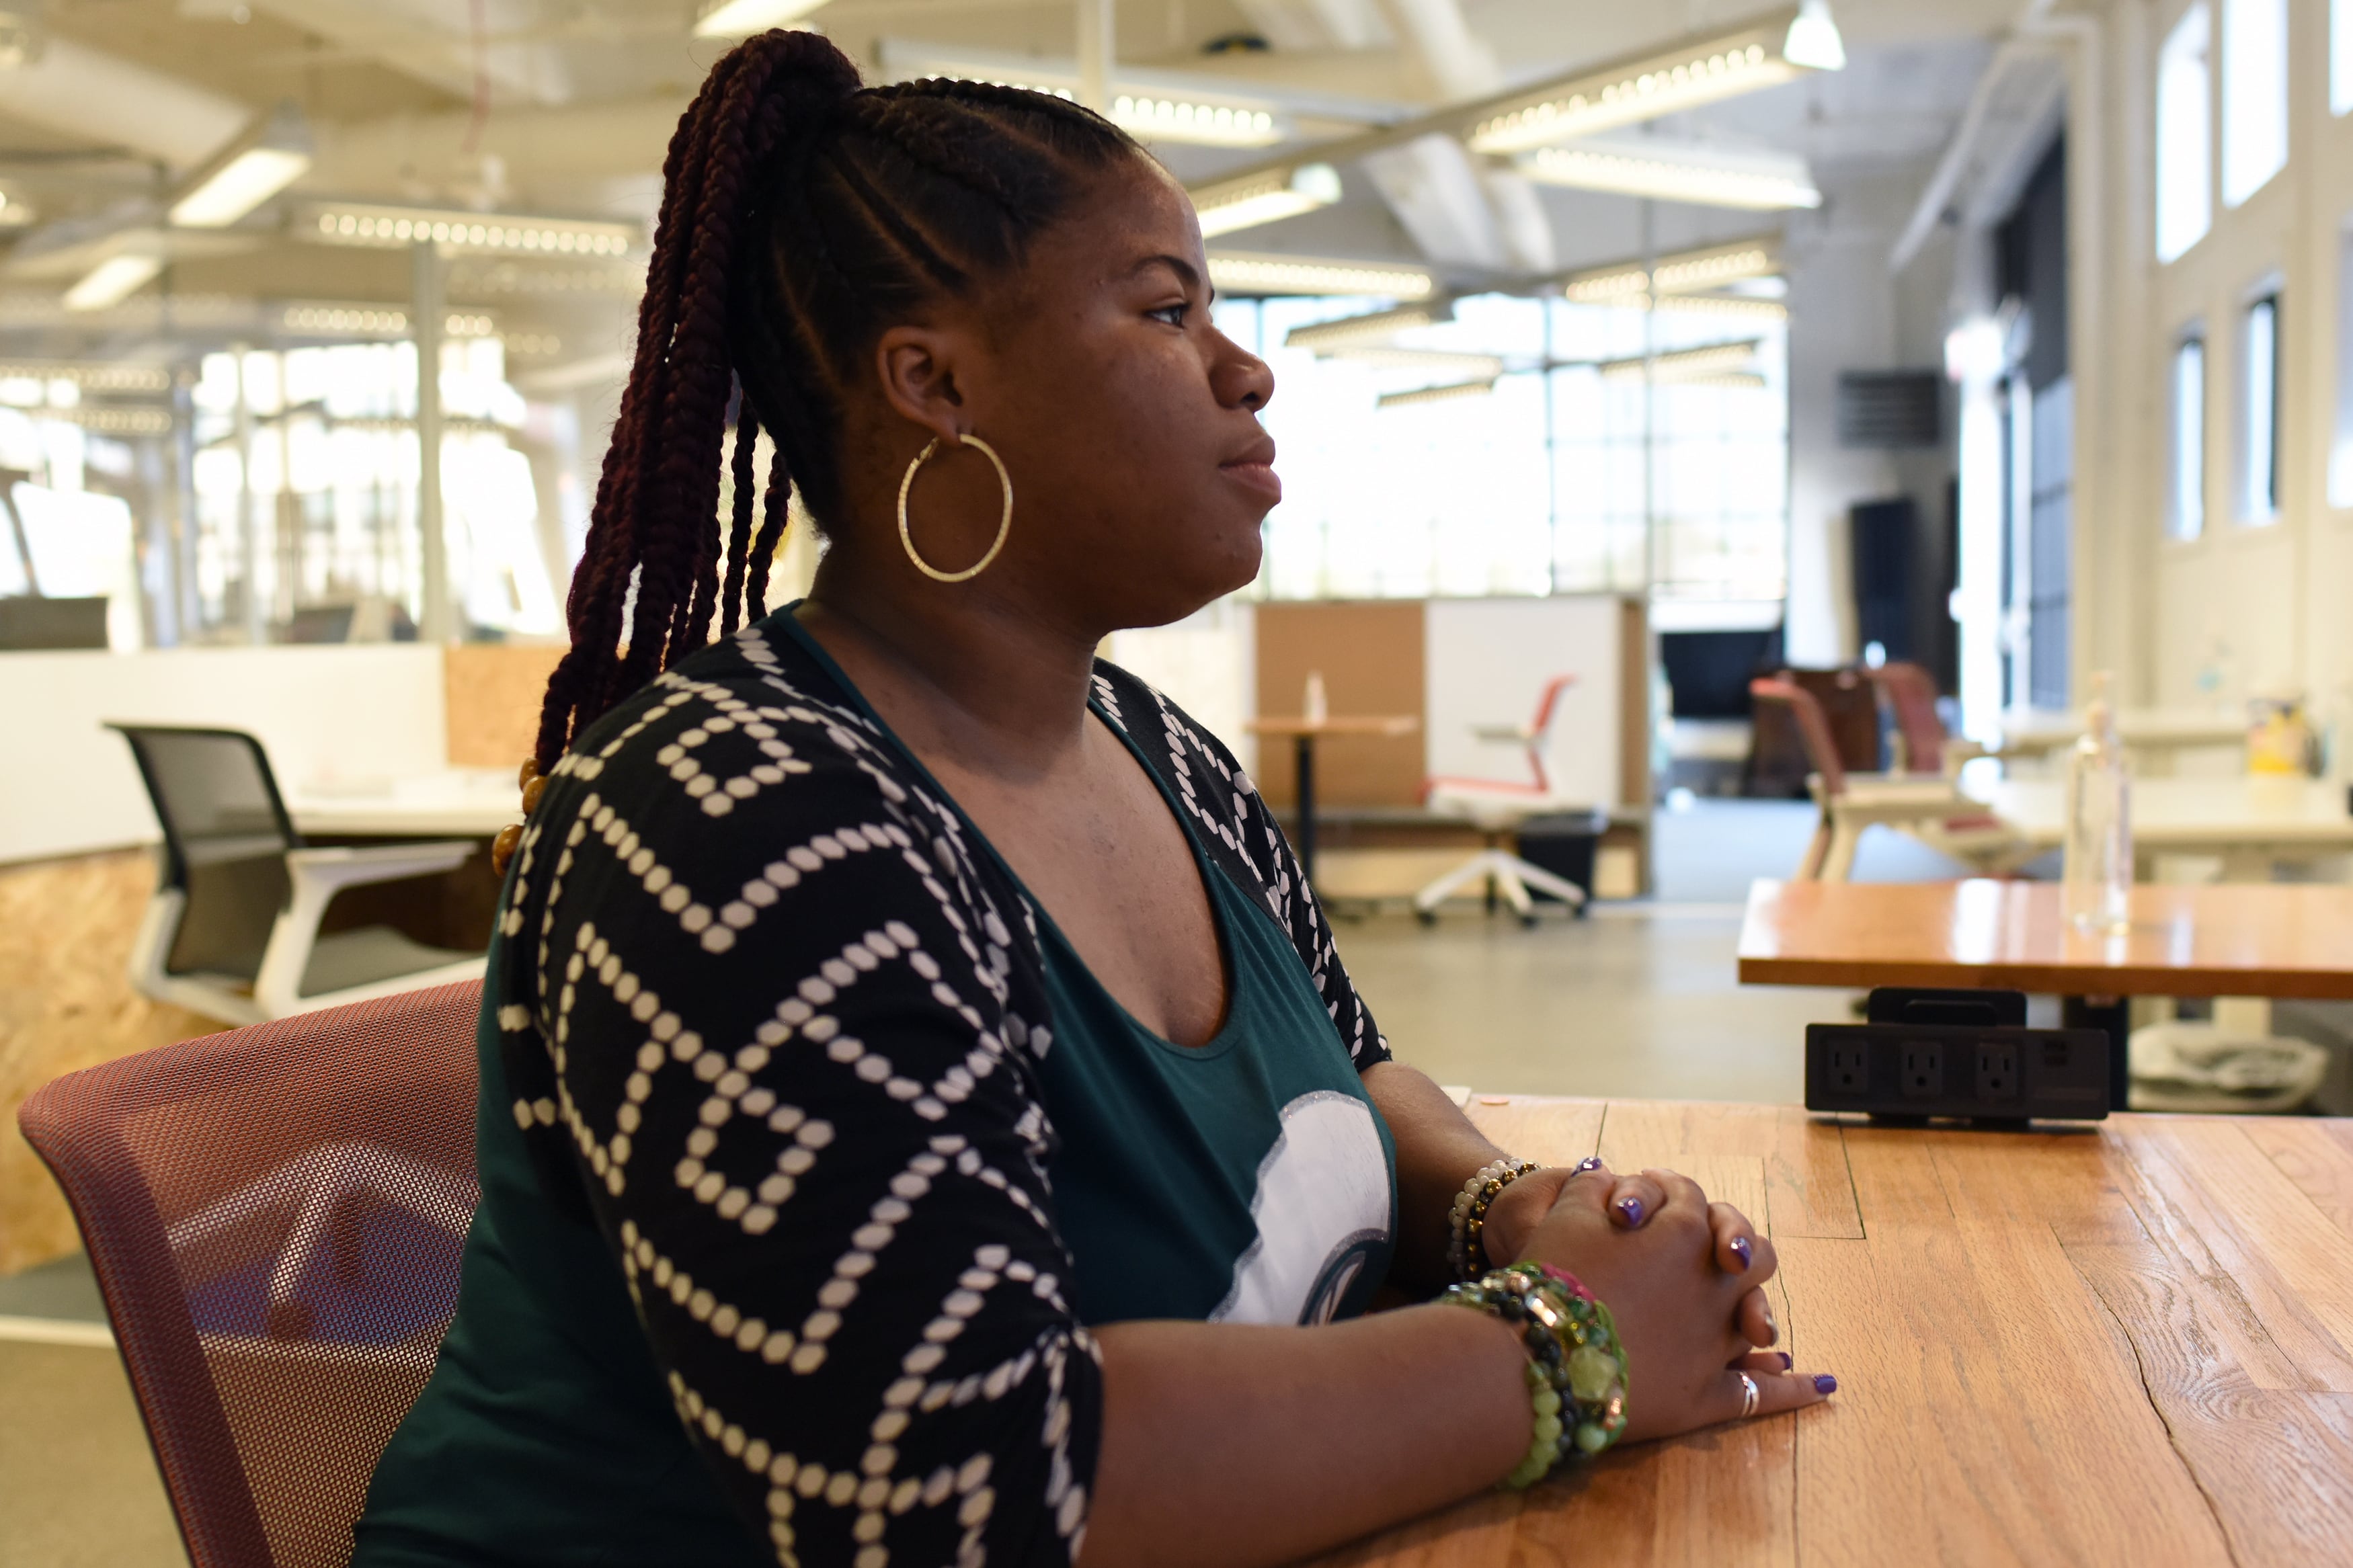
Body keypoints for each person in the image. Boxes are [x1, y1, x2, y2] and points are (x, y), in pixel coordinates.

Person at [353, 30, 1834, 1568]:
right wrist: (1565, 1349)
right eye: (1166, 309)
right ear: (935, 383)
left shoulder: (1147, 742)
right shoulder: (739, 819)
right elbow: (956, 1487)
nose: (1244, 369)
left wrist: (1509, 1216)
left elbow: (1345, 1072)